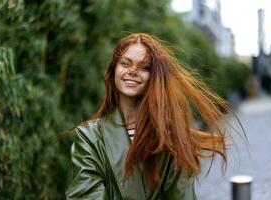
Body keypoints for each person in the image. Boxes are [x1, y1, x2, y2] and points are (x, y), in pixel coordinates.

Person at [66, 33, 238, 199]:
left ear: (154, 77)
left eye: (144, 67)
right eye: (125, 64)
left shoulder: (172, 136)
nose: (133, 71)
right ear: (113, 71)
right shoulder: (89, 136)